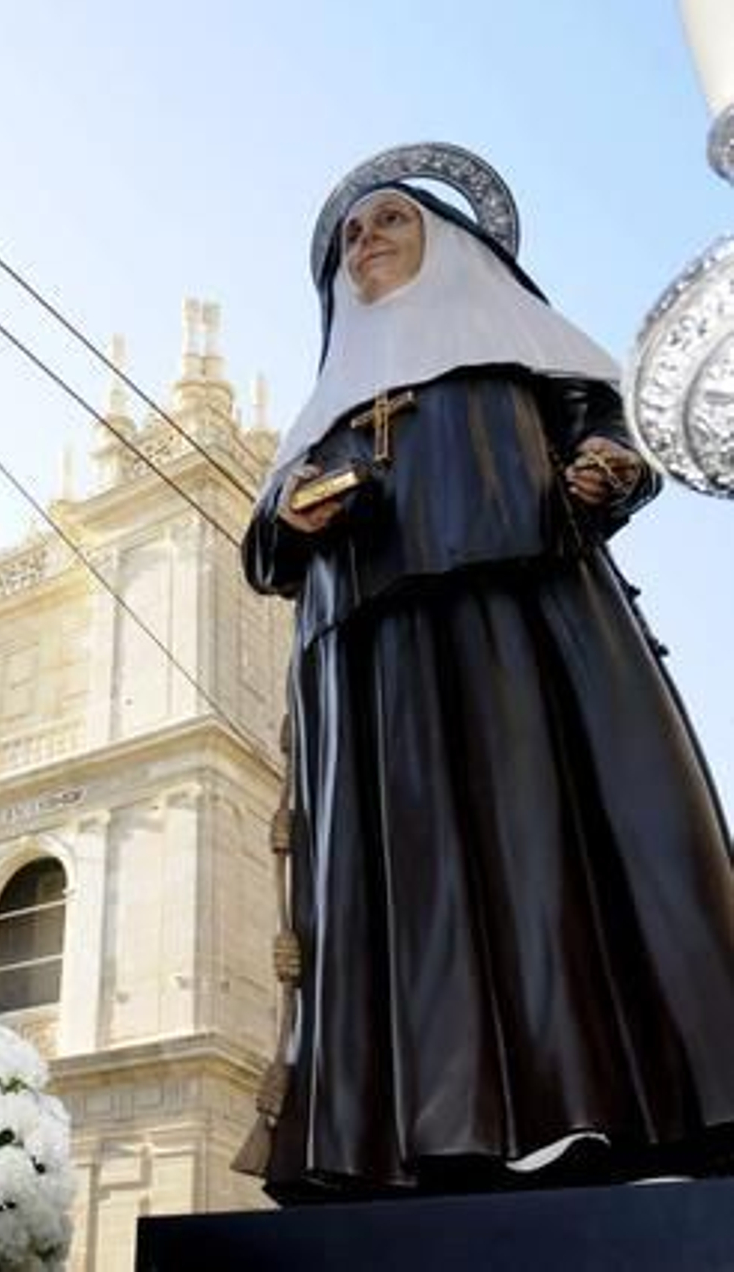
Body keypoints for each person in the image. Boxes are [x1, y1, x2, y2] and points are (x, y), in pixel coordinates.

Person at [242, 146, 734, 1203]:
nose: (363, 244)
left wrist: (598, 469)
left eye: (387, 224)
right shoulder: (324, 411)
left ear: (452, 246)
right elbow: (267, 546)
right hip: (373, 667)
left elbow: (617, 430)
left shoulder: (522, 355)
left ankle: (579, 1108)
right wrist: (296, 512)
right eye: (348, 239)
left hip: (521, 625)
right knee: (406, 893)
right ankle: (421, 1133)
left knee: (541, 852)